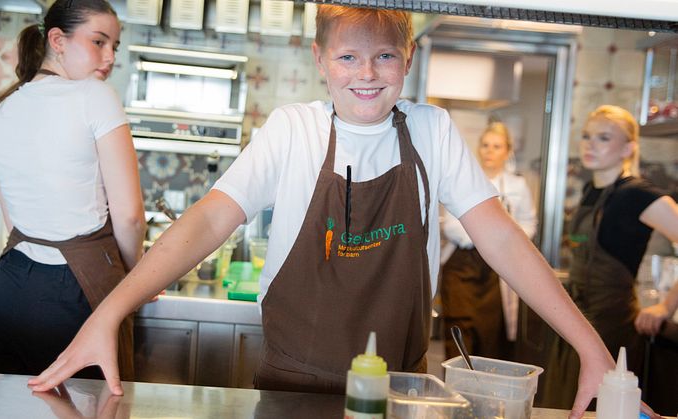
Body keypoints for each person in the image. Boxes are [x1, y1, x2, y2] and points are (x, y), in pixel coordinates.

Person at [30, 6, 615, 417]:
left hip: (398, 391)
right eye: (349, 56)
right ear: (319, 57)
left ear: (408, 58)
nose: (366, 73)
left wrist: (591, 349)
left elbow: (502, 239)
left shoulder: (432, 131)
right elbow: (210, 219)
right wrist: (109, 313)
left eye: (385, 55)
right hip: (290, 389)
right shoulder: (294, 129)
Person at [0, 0, 145, 381]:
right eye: (99, 42)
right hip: (74, 293)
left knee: (10, 407)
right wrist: (137, 280)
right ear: (57, 40)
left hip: (8, 288)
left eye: (114, 46)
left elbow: (11, 217)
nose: (110, 56)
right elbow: (130, 215)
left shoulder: (4, 106)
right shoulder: (95, 96)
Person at [541, 105, 678, 410]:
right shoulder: (591, 190)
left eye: (603, 138)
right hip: (575, 323)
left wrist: (665, 305)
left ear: (628, 148)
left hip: (612, 328)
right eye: (587, 136)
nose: (590, 144)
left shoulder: (638, 195)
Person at [440, 122, 537, 360]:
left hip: (498, 266)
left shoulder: (517, 185)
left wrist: (504, 242)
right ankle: (457, 390)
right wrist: (489, 236)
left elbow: (528, 222)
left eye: (496, 146)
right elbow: (451, 224)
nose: (489, 151)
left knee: (491, 333)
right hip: (462, 262)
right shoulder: (463, 179)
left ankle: (486, 393)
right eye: (485, 145)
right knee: (458, 330)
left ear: (507, 151)